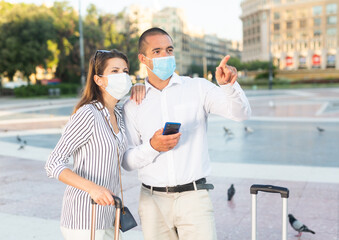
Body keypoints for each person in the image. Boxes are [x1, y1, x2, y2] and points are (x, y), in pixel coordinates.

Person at [122, 27, 251, 240]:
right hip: (152, 200)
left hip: (194, 198)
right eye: (157, 51)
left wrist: (229, 86)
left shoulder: (197, 88)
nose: (165, 56)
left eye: (169, 50)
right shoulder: (133, 104)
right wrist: (152, 147)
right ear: (143, 59)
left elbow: (241, 114)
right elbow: (126, 160)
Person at [45, 49, 143, 239]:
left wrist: (141, 86)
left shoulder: (119, 114)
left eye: (125, 71)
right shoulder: (88, 114)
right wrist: (92, 188)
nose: (122, 76)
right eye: (114, 71)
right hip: (84, 218)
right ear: (98, 80)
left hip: (109, 216)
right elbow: (53, 163)